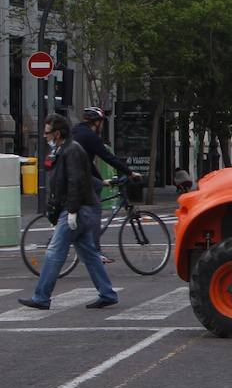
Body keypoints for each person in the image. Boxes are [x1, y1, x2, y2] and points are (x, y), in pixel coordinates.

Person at [18, 114, 118, 311]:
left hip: (76, 209)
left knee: (54, 252)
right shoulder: (65, 149)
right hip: (78, 208)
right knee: (88, 252)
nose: (45, 136)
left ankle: (41, 297)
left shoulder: (71, 150)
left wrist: (71, 211)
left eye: (47, 133)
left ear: (57, 133)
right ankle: (107, 293)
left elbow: (75, 181)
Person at [71, 106, 141, 263]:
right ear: (96, 123)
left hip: (72, 175)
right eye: (101, 123)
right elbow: (108, 157)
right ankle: (95, 251)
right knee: (96, 208)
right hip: (79, 177)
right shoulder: (90, 136)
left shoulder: (76, 131)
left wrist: (101, 180)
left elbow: (87, 162)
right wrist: (130, 173)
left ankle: (84, 238)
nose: (101, 127)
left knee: (95, 189)